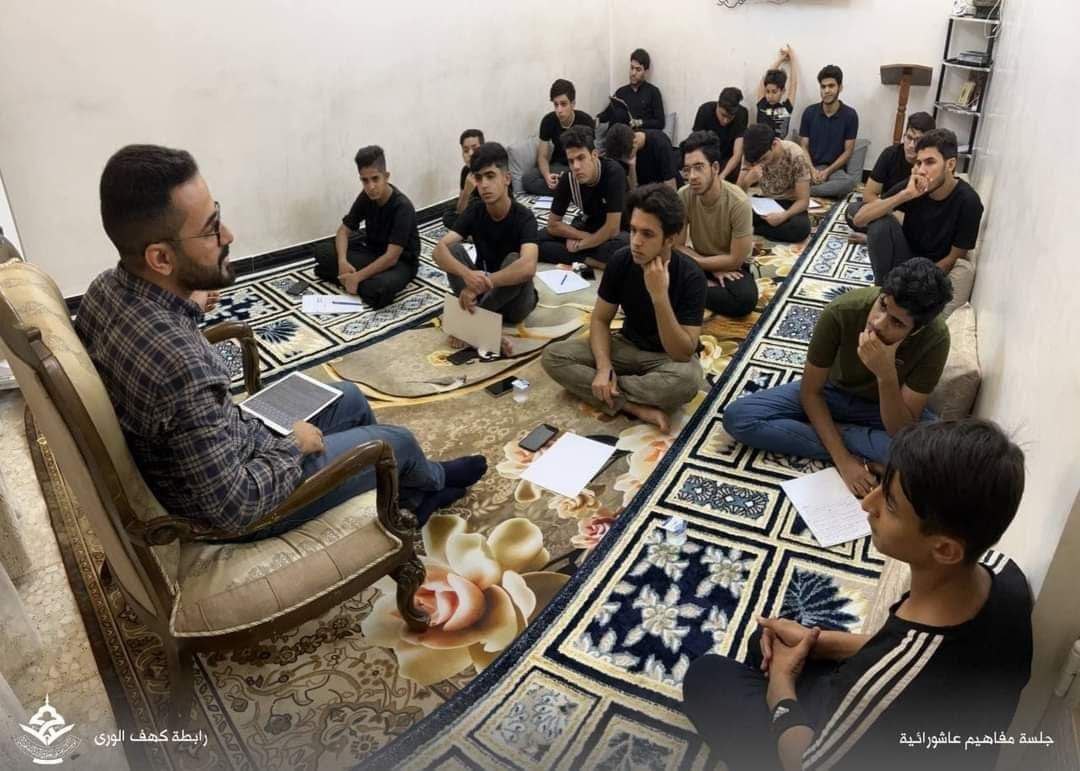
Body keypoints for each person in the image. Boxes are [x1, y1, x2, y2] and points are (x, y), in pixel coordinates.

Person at [77, 145, 487, 538]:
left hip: (225, 441)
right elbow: (235, 507)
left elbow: (165, 350)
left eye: (218, 216)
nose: (228, 234)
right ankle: (431, 481)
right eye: (210, 229)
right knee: (397, 443)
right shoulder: (180, 367)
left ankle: (401, 493)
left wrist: (190, 295)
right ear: (161, 259)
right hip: (243, 501)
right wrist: (294, 447)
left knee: (349, 397)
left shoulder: (104, 290)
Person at [683, 417, 1032, 771]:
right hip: (929, 718)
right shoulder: (1004, 572)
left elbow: (805, 762)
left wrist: (782, 684)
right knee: (769, 640)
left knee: (706, 676)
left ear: (944, 549)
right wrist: (816, 641)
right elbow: (916, 653)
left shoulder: (879, 687)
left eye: (891, 504)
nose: (868, 502)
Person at [723, 258, 953, 498]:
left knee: (936, 460)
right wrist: (844, 460)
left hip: (885, 407)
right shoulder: (842, 311)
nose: (878, 323)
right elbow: (811, 392)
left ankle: (832, 431)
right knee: (739, 418)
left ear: (916, 329)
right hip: (832, 393)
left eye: (896, 322)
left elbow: (900, 430)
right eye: (883, 305)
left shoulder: (935, 339)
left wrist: (885, 375)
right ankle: (853, 443)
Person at [542, 184, 706, 434]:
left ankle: (606, 392)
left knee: (688, 381)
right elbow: (600, 320)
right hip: (625, 346)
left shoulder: (691, 276)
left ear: (670, 239)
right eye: (633, 230)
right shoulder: (621, 260)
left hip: (666, 358)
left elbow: (682, 353)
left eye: (647, 234)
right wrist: (603, 367)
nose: (636, 242)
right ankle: (632, 406)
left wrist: (659, 296)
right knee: (553, 356)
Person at [433, 142, 539, 354]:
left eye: (490, 176)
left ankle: (474, 323)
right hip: (482, 292)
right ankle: (483, 327)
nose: (484, 185)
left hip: (515, 304)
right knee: (453, 250)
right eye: (479, 178)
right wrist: (468, 275)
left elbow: (528, 267)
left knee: (515, 260)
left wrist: (483, 284)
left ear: (506, 178)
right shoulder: (475, 210)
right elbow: (438, 251)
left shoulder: (524, 217)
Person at [851, 129, 984, 285]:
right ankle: (883, 288)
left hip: (931, 270)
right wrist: (905, 195)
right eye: (919, 163)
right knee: (877, 221)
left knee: (879, 222)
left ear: (950, 164)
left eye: (930, 162)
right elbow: (859, 220)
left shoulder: (969, 202)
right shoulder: (915, 184)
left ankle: (890, 289)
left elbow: (952, 259)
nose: (921, 170)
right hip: (905, 255)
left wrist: (911, 285)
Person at [313, 145, 421, 309]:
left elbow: (391, 257)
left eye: (375, 179)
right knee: (322, 251)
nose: (370, 186)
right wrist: (342, 262)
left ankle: (346, 279)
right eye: (365, 180)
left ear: (386, 176)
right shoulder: (366, 196)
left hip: (400, 263)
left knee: (380, 289)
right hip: (372, 253)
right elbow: (343, 232)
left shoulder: (402, 207)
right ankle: (352, 280)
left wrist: (357, 277)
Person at [676, 130, 757, 318]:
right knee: (655, 268)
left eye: (699, 167)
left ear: (715, 168)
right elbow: (677, 246)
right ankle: (697, 287)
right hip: (696, 258)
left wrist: (706, 266)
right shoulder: (683, 195)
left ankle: (688, 290)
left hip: (730, 267)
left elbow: (736, 259)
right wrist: (708, 267)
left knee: (745, 300)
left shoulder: (738, 202)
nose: (692, 176)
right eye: (687, 170)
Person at [537, 126, 629, 268]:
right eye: (571, 161)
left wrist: (580, 245)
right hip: (588, 226)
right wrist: (582, 236)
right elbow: (552, 225)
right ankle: (588, 260)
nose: (576, 167)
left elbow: (612, 228)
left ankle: (581, 257)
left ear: (594, 155)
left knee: (622, 250)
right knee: (536, 240)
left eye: (581, 158)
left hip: (618, 231)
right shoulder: (568, 179)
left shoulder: (614, 173)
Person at [846, 112, 935, 238]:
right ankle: (883, 236)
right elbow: (868, 195)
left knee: (925, 230)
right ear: (904, 136)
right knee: (853, 211)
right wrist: (892, 212)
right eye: (909, 138)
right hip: (889, 209)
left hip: (913, 219)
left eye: (918, 141)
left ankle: (875, 237)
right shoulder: (890, 154)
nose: (911, 145)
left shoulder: (931, 164)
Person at [738, 124, 812, 243]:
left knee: (800, 229)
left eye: (764, 159)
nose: (761, 163)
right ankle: (764, 229)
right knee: (731, 213)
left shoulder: (795, 154)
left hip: (789, 203)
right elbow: (738, 195)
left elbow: (803, 201)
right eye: (757, 161)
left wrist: (784, 216)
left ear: (775, 143)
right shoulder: (751, 154)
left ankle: (754, 229)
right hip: (763, 203)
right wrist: (747, 181)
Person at [522, 79, 596, 195]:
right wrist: (547, 176)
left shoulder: (585, 121)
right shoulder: (548, 121)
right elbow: (542, 156)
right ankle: (568, 191)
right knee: (528, 179)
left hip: (578, 165)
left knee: (585, 180)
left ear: (573, 104)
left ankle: (565, 189)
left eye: (563, 104)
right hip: (558, 166)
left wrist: (575, 171)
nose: (559, 110)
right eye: (556, 104)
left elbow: (590, 156)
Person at [798, 65, 860, 198]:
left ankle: (804, 191)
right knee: (790, 175)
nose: (826, 90)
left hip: (834, 171)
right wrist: (812, 170)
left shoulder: (850, 115)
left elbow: (848, 152)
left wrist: (827, 172)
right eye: (823, 86)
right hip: (809, 166)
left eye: (831, 86)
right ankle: (810, 188)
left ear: (840, 87)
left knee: (849, 183)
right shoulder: (809, 112)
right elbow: (803, 146)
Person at [597, 48, 665, 130]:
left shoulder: (653, 92)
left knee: (620, 114)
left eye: (638, 70)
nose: (633, 73)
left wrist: (639, 122)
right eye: (632, 68)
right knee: (618, 114)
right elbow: (606, 114)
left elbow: (660, 122)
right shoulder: (621, 92)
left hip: (639, 133)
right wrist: (595, 120)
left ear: (646, 72)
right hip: (618, 132)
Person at [692, 87, 749, 182]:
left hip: (727, 159)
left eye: (730, 117)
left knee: (746, 170)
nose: (725, 120)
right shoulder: (705, 110)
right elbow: (696, 144)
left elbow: (737, 154)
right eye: (723, 115)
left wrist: (722, 176)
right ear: (718, 105)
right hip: (707, 156)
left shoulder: (742, 114)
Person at [602, 123, 678, 189]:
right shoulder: (621, 149)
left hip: (662, 192)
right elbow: (632, 190)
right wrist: (632, 166)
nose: (624, 160)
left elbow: (670, 185)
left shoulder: (659, 142)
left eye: (626, 157)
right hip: (643, 194)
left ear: (635, 143)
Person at [442, 128, 484, 230]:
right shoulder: (466, 171)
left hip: (491, 212)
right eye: (465, 150)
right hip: (475, 207)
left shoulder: (490, 170)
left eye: (475, 149)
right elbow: (460, 210)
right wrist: (466, 192)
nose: (470, 154)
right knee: (448, 215)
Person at [756, 46, 799, 140]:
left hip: (779, 146)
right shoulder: (762, 105)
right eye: (767, 92)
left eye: (774, 92)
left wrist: (792, 59)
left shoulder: (785, 109)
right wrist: (781, 59)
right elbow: (764, 80)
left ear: (782, 91)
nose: (770, 96)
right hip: (760, 145)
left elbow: (793, 84)